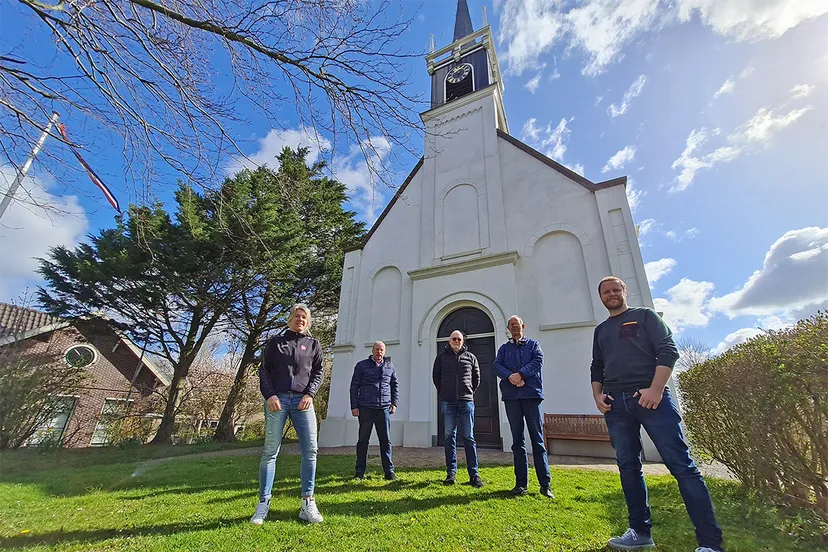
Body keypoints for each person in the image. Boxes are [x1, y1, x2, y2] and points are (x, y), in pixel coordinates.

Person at [591, 276, 724, 552]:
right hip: (616, 405)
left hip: (651, 401)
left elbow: (668, 351)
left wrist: (656, 389)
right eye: (607, 291)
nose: (612, 294)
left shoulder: (645, 316)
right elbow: (597, 365)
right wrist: (597, 396)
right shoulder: (601, 330)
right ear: (601, 297)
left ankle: (710, 543)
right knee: (628, 467)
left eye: (616, 289)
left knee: (682, 467)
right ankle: (640, 532)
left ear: (624, 291)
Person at [250, 304, 324, 525]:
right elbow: (263, 370)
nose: (300, 319)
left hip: (303, 401)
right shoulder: (275, 343)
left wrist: (310, 394)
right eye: (297, 316)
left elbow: (318, 372)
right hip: (278, 401)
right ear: (290, 318)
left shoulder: (313, 345)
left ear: (308, 322)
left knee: (311, 450)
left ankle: (307, 502)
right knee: (270, 451)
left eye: (304, 317)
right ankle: (264, 503)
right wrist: (270, 395)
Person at [494, 315, 554, 498]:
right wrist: (511, 377)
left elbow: (537, 361)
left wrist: (520, 375)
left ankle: (545, 484)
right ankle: (521, 484)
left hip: (531, 396)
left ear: (523, 326)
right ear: (508, 328)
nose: (514, 327)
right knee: (517, 441)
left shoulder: (533, 345)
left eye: (516, 324)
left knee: (537, 440)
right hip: (512, 398)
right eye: (511, 325)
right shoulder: (504, 349)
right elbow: (497, 366)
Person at [432, 330, 484, 488]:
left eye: (459, 339)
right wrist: (445, 391)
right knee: (449, 438)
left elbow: (476, 379)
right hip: (448, 402)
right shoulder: (441, 358)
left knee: (469, 437)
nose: (456, 341)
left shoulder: (471, 358)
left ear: (463, 341)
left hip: (466, 402)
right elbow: (436, 377)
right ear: (449, 341)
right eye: (454, 339)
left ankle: (474, 475)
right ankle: (451, 473)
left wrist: (467, 392)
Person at [350, 341, 399, 481]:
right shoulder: (361, 366)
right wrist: (354, 406)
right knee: (363, 441)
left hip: (383, 409)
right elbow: (354, 386)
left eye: (382, 350)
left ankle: (389, 472)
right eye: (377, 349)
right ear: (372, 351)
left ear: (385, 351)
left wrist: (394, 403)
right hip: (365, 408)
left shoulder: (390, 366)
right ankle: (359, 472)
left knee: (386, 441)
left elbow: (394, 385)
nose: (379, 352)